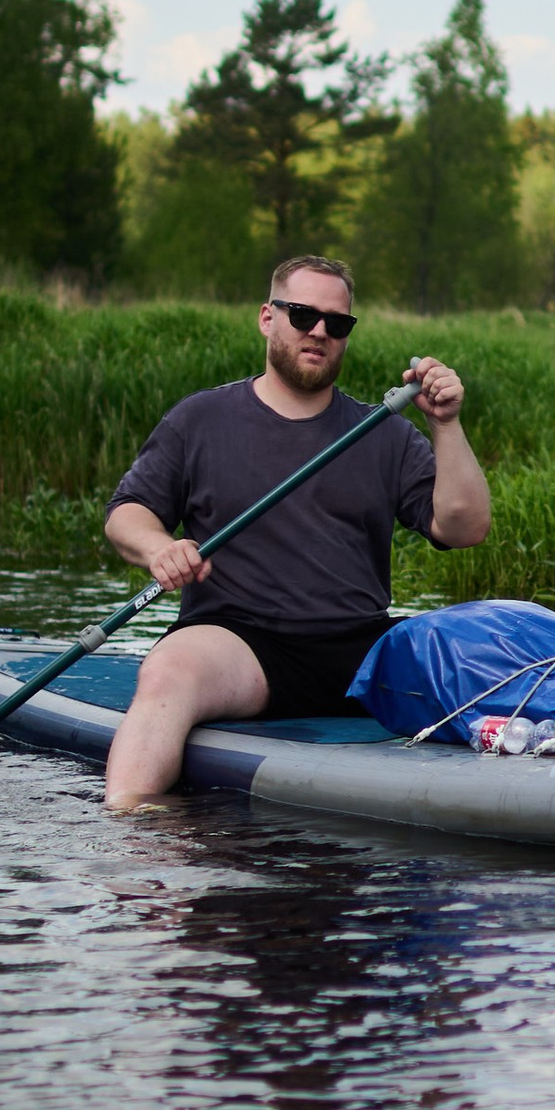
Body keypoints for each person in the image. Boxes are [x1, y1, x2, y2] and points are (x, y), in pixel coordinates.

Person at [98, 254, 490, 811]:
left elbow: (465, 527)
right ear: (267, 317)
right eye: (304, 315)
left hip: (362, 650)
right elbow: (126, 511)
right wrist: (160, 548)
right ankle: (134, 826)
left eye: (338, 323)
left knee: (483, 655)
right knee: (170, 669)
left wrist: (445, 425)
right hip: (241, 645)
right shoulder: (200, 420)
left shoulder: (385, 435)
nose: (320, 332)